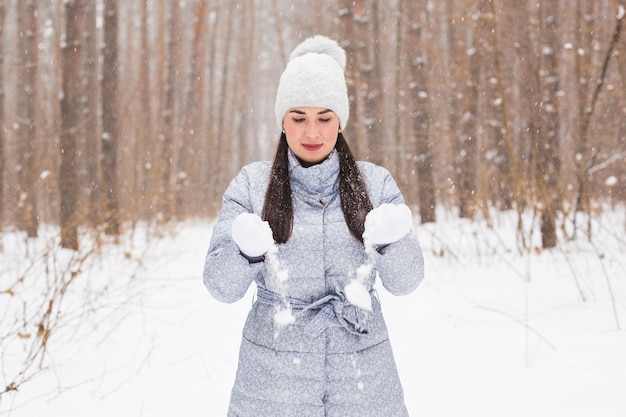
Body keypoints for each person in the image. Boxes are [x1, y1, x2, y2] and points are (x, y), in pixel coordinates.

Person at [203, 35, 425, 417]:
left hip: (363, 380)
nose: (312, 133)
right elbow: (220, 288)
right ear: (282, 121)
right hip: (273, 384)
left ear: (340, 122)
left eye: (324, 118)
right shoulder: (252, 186)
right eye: (298, 118)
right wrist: (245, 253)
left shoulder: (376, 185)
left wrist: (392, 244)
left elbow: (406, 282)